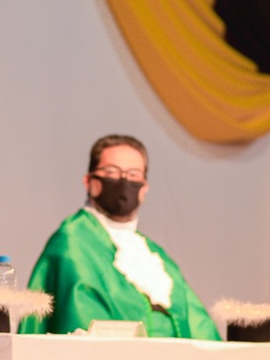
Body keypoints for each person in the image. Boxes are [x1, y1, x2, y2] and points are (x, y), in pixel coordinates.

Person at [18, 134, 221, 339]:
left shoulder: (153, 254)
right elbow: (82, 320)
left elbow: (200, 326)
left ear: (144, 188)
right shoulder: (73, 240)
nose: (124, 181)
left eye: (133, 174)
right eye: (112, 172)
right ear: (89, 181)